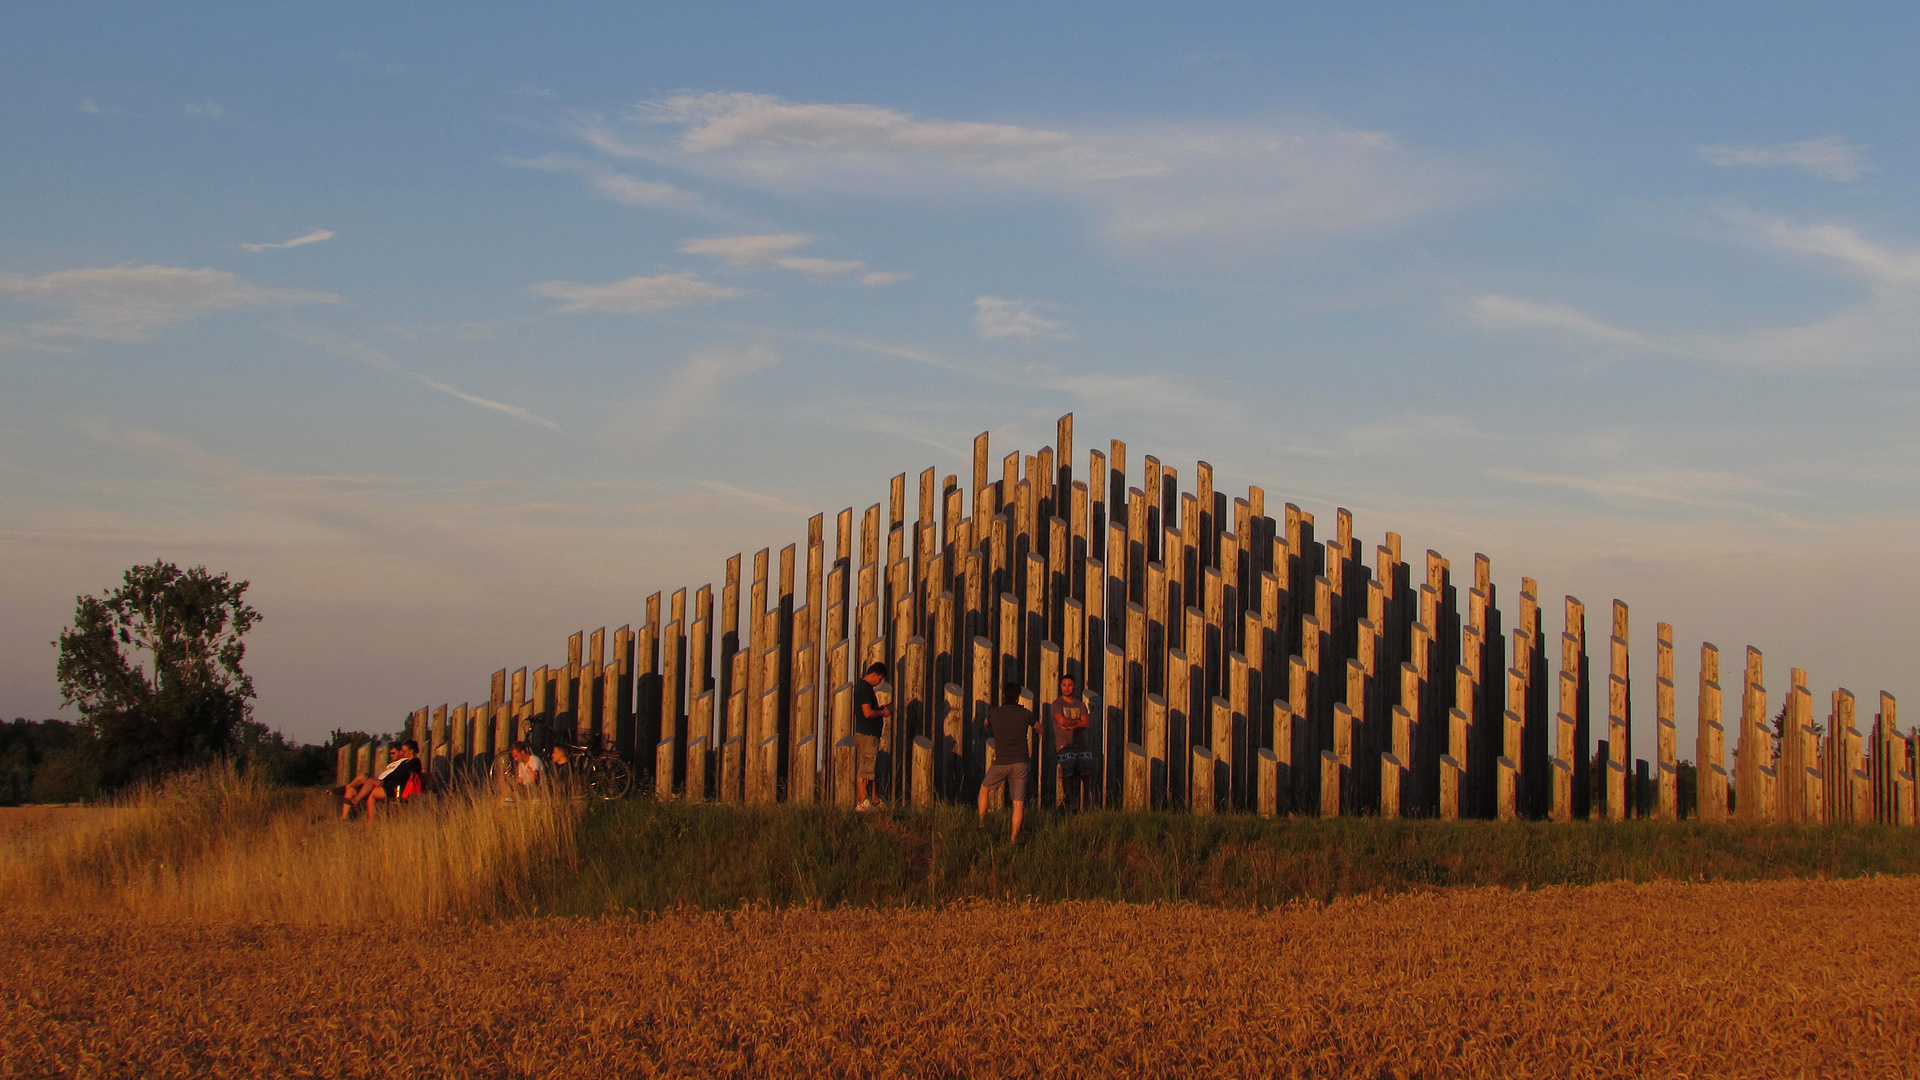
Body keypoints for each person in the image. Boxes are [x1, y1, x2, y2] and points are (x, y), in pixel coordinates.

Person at [978, 680, 1038, 842]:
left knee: (984, 789)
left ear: (1004, 696)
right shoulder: (1026, 714)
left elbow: (985, 724)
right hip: (1021, 762)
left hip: (1001, 761)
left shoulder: (994, 713)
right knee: (1018, 804)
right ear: (1018, 697)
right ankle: (1012, 839)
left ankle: (982, 824)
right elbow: (1039, 728)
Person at [339, 740, 421, 822]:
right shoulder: (406, 762)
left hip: (398, 788)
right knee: (370, 783)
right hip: (393, 785)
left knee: (372, 788)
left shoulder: (415, 762)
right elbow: (395, 774)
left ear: (411, 751)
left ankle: (357, 802)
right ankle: (361, 810)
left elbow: (399, 775)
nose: (403, 753)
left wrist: (384, 781)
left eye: (404, 751)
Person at [1049, 674, 1094, 811]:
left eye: (1070, 685)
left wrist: (1072, 725)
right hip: (1064, 744)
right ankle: (1073, 804)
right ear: (1060, 686)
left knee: (1087, 775)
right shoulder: (1057, 704)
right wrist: (1077, 721)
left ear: (1074, 686)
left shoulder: (1079, 704)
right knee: (1067, 776)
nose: (1067, 688)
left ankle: (1091, 803)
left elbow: (1086, 723)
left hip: (1081, 744)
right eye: (1064, 685)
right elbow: (1061, 721)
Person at [852, 661, 892, 812]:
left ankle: (873, 800)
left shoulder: (865, 688)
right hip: (867, 734)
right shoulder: (864, 689)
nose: (879, 682)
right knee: (865, 768)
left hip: (870, 734)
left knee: (870, 768)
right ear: (874, 674)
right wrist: (883, 713)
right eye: (880, 679)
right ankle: (862, 801)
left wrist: (880, 709)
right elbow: (867, 713)